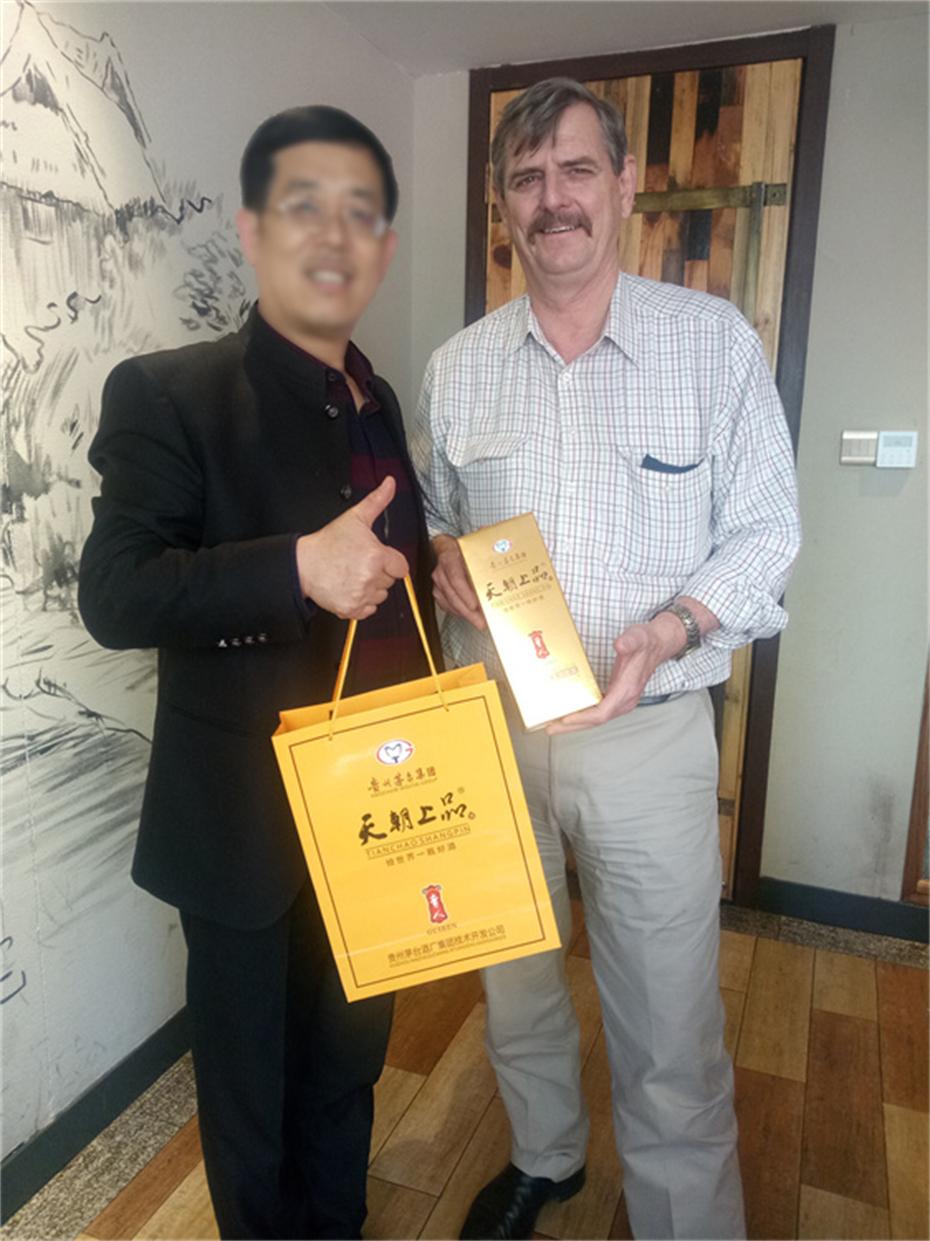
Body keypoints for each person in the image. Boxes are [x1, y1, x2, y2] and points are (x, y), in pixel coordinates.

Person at [412, 77, 801, 1240]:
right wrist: (441, 555)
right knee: (514, 976)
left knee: (670, 1019)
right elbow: (435, 516)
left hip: (646, 735)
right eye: (527, 178)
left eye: (578, 169)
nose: (555, 198)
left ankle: (685, 1219)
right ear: (503, 205)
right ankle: (548, 1156)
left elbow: (769, 531)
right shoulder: (457, 367)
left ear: (625, 186)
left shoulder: (712, 345)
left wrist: (673, 625)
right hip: (496, 727)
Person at [79, 106, 440, 1240]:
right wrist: (292, 568)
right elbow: (116, 594)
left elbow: (381, 577)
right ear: (252, 230)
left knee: (348, 1070)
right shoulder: (168, 391)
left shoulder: (377, 400)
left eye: (361, 213)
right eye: (302, 206)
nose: (333, 236)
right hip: (243, 828)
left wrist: (441, 569)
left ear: (384, 246)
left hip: (382, 810)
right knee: (251, 1103)